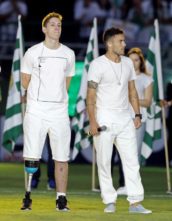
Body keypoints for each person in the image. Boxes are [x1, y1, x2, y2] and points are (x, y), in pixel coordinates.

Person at [86, 27, 152, 214]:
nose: (124, 44)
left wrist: (137, 115)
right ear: (109, 43)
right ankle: (110, 201)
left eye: (124, 41)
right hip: (104, 118)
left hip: (125, 119)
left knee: (132, 161)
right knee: (104, 162)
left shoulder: (127, 63)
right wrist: (92, 122)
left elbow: (132, 92)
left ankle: (135, 203)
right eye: (121, 41)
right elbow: (90, 97)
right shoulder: (97, 65)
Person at [21, 12, 75, 211]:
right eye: (52, 25)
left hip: (59, 112)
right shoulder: (32, 52)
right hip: (36, 111)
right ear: (44, 29)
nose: (56, 28)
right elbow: (25, 81)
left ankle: (61, 199)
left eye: (59, 25)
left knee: (61, 157)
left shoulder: (69, 54)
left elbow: (66, 84)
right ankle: (27, 196)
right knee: (32, 155)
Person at [113, 47, 153, 196]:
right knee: (121, 153)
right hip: (121, 117)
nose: (134, 63)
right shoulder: (120, 76)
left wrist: (133, 100)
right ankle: (124, 184)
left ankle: (132, 186)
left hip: (138, 118)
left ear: (140, 62)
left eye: (136, 60)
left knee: (133, 154)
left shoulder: (146, 79)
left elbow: (148, 102)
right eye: (131, 59)